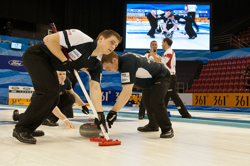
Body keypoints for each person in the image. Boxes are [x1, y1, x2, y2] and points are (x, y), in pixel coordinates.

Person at [13, 29, 122, 144]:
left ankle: (29, 128)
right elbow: (48, 39)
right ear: (101, 39)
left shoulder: (96, 64)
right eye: (111, 42)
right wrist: (65, 61)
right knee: (48, 92)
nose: (113, 46)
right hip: (37, 56)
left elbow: (95, 88)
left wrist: (99, 114)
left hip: (49, 65)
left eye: (116, 45)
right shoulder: (81, 38)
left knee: (54, 96)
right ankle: (22, 129)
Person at [102, 51, 174, 138]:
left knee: (156, 101)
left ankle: (167, 128)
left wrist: (113, 112)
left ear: (114, 60)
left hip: (161, 75)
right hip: (149, 81)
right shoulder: (123, 62)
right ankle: (153, 125)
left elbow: (127, 91)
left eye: (108, 67)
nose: (108, 71)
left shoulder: (127, 63)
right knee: (146, 102)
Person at [12, 71, 89, 128]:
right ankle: (17, 117)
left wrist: (83, 105)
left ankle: (50, 119)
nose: (62, 76)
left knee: (70, 97)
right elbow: (51, 104)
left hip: (53, 100)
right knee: (35, 117)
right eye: (60, 74)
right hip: (40, 101)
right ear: (55, 74)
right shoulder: (50, 83)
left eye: (64, 74)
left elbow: (72, 93)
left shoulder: (66, 81)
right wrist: (64, 119)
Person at [161, 37, 192, 118]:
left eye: (162, 42)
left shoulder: (169, 52)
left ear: (166, 42)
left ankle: (185, 114)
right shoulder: (167, 52)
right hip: (168, 76)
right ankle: (162, 113)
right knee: (165, 96)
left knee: (174, 96)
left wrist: (154, 57)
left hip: (170, 77)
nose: (161, 44)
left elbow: (161, 63)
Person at [138, 40, 162, 119]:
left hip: (155, 79)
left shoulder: (159, 57)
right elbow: (143, 65)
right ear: (150, 46)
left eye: (155, 44)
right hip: (147, 78)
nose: (154, 46)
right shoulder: (146, 55)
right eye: (153, 44)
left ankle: (152, 114)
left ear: (157, 46)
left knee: (153, 98)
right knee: (145, 97)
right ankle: (141, 114)